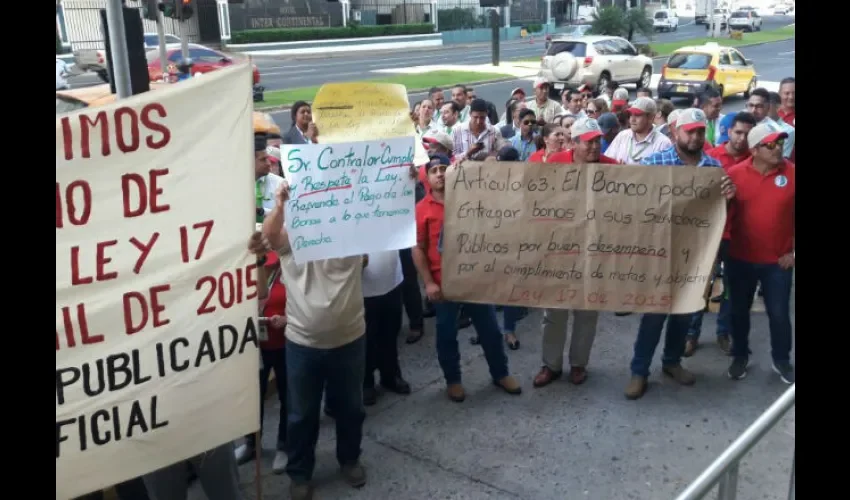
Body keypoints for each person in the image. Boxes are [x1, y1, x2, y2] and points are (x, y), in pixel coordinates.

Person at [261, 182, 369, 499]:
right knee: (301, 413)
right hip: (302, 343)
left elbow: (387, 218)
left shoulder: (352, 231)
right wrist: (280, 206)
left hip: (350, 337)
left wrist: (398, 183)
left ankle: (350, 459)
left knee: (351, 407)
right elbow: (269, 235)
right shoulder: (289, 236)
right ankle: (300, 473)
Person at [624, 108, 735, 400]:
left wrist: (729, 198)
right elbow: (633, 201)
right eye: (691, 131)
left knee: (685, 313)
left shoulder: (713, 168)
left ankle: (672, 362)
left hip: (696, 256)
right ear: (675, 132)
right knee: (654, 315)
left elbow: (720, 216)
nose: (697, 136)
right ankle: (639, 370)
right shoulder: (655, 163)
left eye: (701, 131)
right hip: (660, 254)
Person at [412, 153, 522, 402]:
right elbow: (418, 248)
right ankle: (453, 380)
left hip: (475, 279)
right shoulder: (421, 210)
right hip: (443, 285)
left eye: (444, 168)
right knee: (446, 334)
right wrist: (429, 282)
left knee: (491, 331)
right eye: (434, 170)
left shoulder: (472, 197)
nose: (440, 173)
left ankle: (501, 373)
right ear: (426, 177)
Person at [725, 121, 795, 385]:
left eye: (779, 142)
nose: (778, 148)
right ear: (754, 150)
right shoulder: (733, 174)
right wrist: (725, 200)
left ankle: (782, 360)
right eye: (770, 144)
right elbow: (719, 215)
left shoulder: (792, 173)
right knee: (738, 312)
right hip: (740, 258)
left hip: (778, 261)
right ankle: (739, 355)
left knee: (778, 314)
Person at [686, 112, 758, 357]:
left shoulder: (757, 161)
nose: (742, 138)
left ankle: (723, 332)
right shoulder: (712, 158)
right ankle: (691, 334)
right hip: (708, 234)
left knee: (732, 287)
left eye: (748, 134)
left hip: (740, 236)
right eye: (738, 132)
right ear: (729, 132)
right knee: (700, 284)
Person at [234, 249, 289, 472]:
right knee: (253, 398)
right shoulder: (244, 276)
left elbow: (304, 305)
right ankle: (251, 443)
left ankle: (284, 445)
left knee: (289, 396)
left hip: (286, 344)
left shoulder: (288, 272)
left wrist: (287, 318)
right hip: (255, 347)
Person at [362, 250, 412, 405]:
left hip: (392, 280)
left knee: (391, 333)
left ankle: (390, 375)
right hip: (363, 288)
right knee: (366, 339)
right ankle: (365, 382)